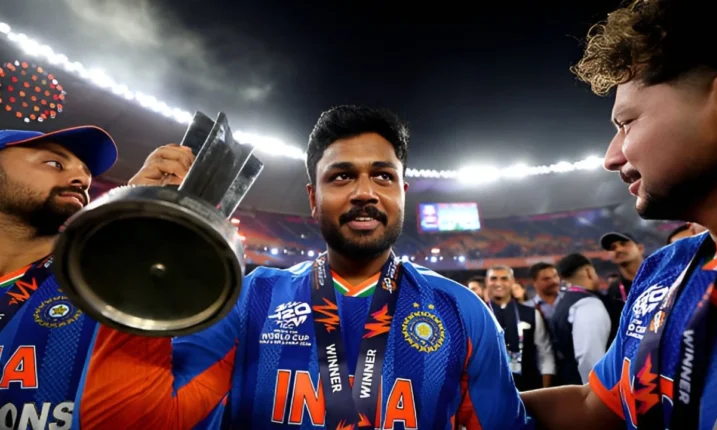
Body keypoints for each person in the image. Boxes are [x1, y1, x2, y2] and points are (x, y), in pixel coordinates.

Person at [74, 105, 532, 429]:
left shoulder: (462, 311)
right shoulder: (250, 298)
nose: (365, 192)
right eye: (341, 176)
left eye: (383, 176)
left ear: (402, 193)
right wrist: (141, 245)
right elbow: (130, 421)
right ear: (313, 198)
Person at [520, 0, 717, 429]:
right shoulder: (664, 271)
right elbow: (596, 405)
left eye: (627, 123)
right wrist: (453, 406)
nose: (611, 157)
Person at [0, 127, 194, 428]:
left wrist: (134, 208)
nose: (82, 178)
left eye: (86, 172)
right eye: (54, 163)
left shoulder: (110, 282)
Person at [486, 265, 555, 390]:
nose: (498, 283)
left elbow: (545, 352)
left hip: (527, 386)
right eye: (493, 278)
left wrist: (545, 388)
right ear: (487, 282)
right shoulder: (476, 314)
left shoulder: (531, 314)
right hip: (488, 387)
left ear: (512, 281)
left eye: (504, 278)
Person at [550, 254, 611, 385]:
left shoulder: (564, 301)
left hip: (570, 381)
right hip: (586, 385)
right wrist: (596, 389)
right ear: (588, 271)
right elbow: (590, 356)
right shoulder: (587, 303)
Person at [599, 231, 644, 302]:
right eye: (612, 247)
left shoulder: (660, 273)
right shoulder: (614, 290)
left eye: (623, 244)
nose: (618, 250)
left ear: (640, 248)